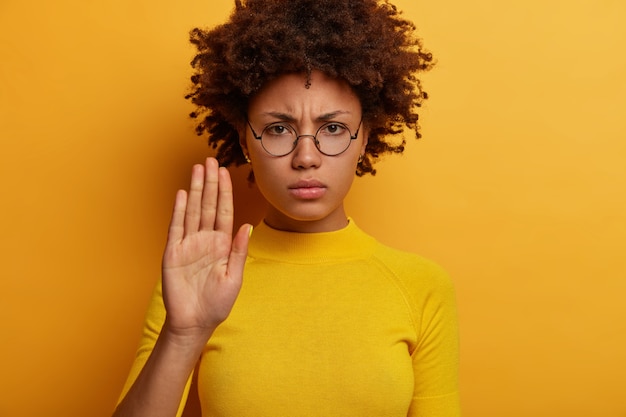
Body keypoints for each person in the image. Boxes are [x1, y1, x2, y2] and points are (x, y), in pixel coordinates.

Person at [114, 0, 460, 416]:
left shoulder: (421, 287)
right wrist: (183, 334)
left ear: (365, 136)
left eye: (332, 128)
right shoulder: (197, 280)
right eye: (279, 129)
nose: (306, 157)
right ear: (245, 140)